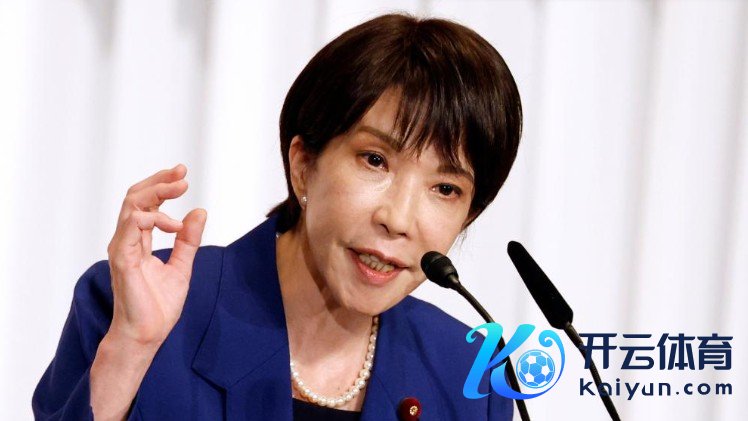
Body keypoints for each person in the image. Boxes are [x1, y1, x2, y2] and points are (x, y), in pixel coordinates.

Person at [32, 12, 522, 421]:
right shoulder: (136, 306)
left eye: (445, 188)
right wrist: (131, 348)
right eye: (375, 160)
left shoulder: (470, 380)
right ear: (303, 165)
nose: (399, 219)